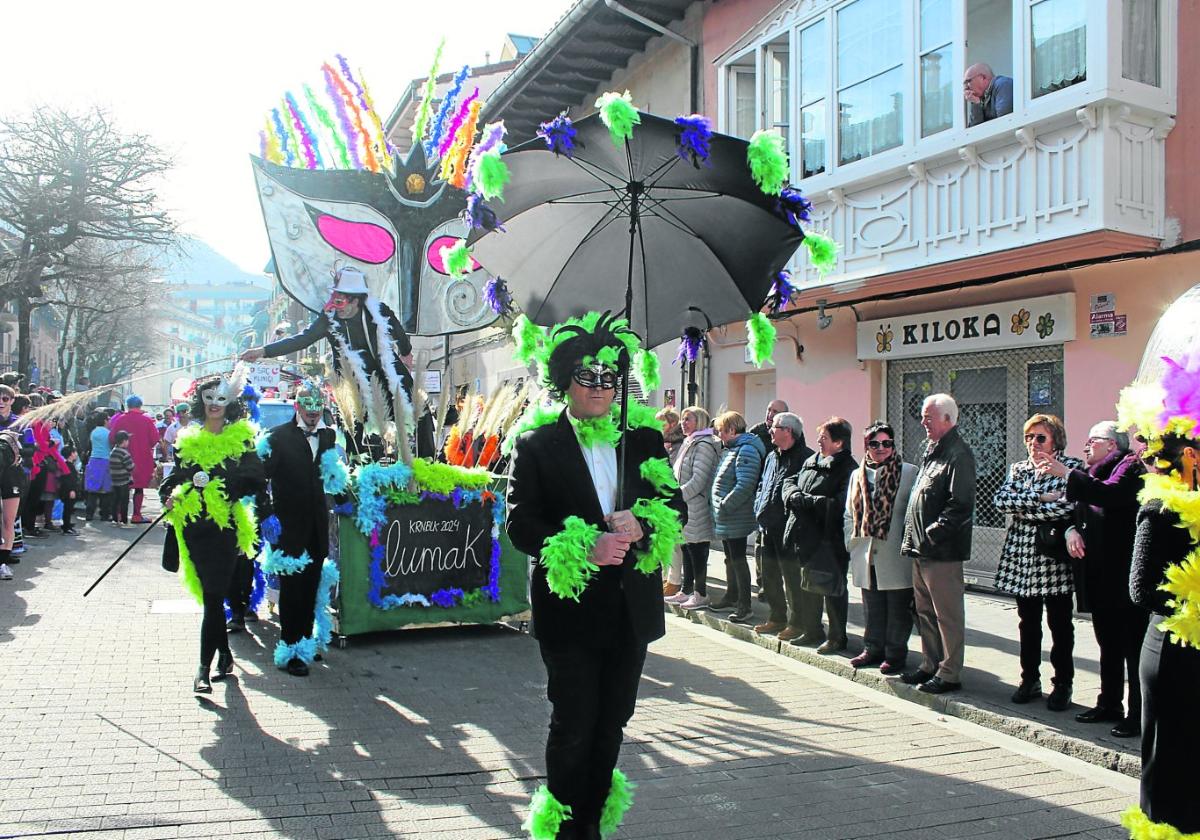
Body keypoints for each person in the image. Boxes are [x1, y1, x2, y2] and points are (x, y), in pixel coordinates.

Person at [506, 311, 684, 840]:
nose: (602, 387)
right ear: (564, 380)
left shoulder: (644, 440)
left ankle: (590, 825)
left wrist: (643, 521)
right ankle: (563, 827)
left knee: (613, 724)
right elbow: (520, 526)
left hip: (631, 610)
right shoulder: (537, 445)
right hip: (572, 613)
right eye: (589, 376)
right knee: (574, 725)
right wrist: (587, 546)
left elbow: (676, 509)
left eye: (611, 377)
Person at [241, 265, 433, 458]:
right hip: (352, 383)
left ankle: (427, 464)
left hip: (387, 373)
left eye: (340, 302)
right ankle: (357, 467)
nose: (336, 307)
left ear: (356, 300)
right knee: (354, 429)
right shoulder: (329, 319)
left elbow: (398, 332)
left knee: (420, 409)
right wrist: (263, 351)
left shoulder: (378, 311)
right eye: (335, 300)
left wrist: (406, 353)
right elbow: (302, 339)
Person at [1036, 421, 1147, 736]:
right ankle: (1109, 703)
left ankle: (1138, 714)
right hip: (1099, 576)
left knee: (1131, 647)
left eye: (1091, 441)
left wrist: (1067, 473)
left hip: (1123, 577)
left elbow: (1108, 496)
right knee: (1107, 643)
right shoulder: (1096, 471)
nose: (1085, 447)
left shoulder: (1130, 467)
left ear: (1111, 445)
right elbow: (1077, 507)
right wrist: (1070, 529)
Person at [160, 372, 267, 693]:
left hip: (226, 531)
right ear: (200, 400)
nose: (215, 404)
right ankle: (225, 655)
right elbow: (174, 478)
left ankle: (202, 670)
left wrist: (220, 479)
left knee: (212, 598)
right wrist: (171, 493)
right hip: (194, 529)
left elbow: (255, 479)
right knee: (211, 598)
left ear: (231, 401)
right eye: (209, 397)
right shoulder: (187, 439)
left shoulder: (241, 441)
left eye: (221, 398)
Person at [1129, 430, 1200, 833]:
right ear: (1190, 455)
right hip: (1172, 653)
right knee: (1170, 760)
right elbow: (1141, 589)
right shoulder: (1159, 508)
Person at [993, 414, 1082, 711]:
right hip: (1022, 558)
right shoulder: (1018, 468)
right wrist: (1043, 497)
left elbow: (1067, 506)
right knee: (1027, 624)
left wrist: (1029, 504)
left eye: (1040, 437)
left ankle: (1063, 683)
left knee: (1060, 624)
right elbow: (1002, 501)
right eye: (1029, 437)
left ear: (1055, 438)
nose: (1033, 443)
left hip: (1053, 558)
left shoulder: (1071, 467)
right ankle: (1029, 679)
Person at [258, 380, 347, 676]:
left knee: (310, 586)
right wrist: (267, 514)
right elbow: (259, 480)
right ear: (297, 407)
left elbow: (330, 472)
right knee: (293, 588)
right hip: (288, 526)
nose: (312, 413)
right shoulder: (278, 437)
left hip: (317, 524)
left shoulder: (327, 435)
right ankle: (290, 648)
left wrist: (345, 498)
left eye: (317, 407)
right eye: (307, 407)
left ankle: (305, 643)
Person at [900, 393, 976, 695]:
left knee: (947, 614)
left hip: (941, 551)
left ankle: (949, 671)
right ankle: (930, 664)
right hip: (922, 548)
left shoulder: (959, 454)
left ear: (947, 419)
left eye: (929, 417)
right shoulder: (933, 451)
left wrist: (932, 533)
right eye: (923, 415)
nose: (923, 422)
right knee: (925, 612)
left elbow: (960, 505)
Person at [844, 421, 918, 674]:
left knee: (898, 609)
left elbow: (914, 514)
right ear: (867, 446)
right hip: (866, 551)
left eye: (887, 443)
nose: (881, 448)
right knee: (872, 605)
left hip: (896, 553)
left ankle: (895, 655)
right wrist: (850, 543)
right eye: (875, 443)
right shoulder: (858, 474)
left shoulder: (909, 472)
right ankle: (872, 649)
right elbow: (848, 515)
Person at [781, 417, 858, 653]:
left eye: (824, 438)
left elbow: (840, 504)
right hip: (803, 534)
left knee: (832, 588)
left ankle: (837, 637)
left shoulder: (847, 468)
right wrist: (793, 494)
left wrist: (807, 501)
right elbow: (790, 480)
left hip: (828, 539)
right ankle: (812, 629)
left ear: (839, 442)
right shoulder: (812, 461)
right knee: (807, 585)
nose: (819, 442)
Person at [752, 412, 813, 640]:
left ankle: (797, 622)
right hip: (766, 524)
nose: (770, 430)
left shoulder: (805, 458)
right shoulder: (771, 456)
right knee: (769, 576)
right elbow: (762, 484)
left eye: (775, 427)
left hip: (788, 528)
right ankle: (776, 617)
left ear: (788, 431)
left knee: (792, 578)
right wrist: (758, 506)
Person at [710, 410, 765, 624]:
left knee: (739, 559)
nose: (719, 435)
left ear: (732, 430)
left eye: (721, 431)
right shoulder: (733, 449)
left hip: (735, 516)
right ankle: (731, 595)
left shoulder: (746, 450)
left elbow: (745, 484)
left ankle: (744, 605)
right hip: (727, 516)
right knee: (730, 558)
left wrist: (724, 505)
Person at [666, 406, 721, 611]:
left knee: (698, 551)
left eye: (688, 419)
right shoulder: (690, 442)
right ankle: (687, 590)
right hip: (685, 505)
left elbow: (699, 479)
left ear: (699, 421)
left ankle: (700, 593)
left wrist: (677, 496)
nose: (683, 423)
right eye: (682, 419)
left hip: (695, 505)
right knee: (687, 548)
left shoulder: (704, 444)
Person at [108, 395, 160, 524]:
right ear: (140, 405)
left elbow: (112, 437)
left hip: (122, 455)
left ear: (128, 405)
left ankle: (119, 514)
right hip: (142, 457)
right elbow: (154, 439)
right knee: (139, 487)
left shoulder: (120, 420)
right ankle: (137, 515)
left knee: (122, 487)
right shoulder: (147, 420)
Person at [656, 406, 685, 597]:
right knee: (665, 541)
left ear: (672, 423)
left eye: (661, 421)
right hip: (662, 496)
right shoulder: (661, 442)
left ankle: (674, 580)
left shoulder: (679, 443)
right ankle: (666, 577)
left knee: (675, 543)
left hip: (674, 497)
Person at [0, 385, 24, 577]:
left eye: (5, 399)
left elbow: (31, 448)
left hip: (12, 476)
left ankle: (3, 563)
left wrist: (19, 451)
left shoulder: (21, 423)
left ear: (12, 401)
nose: (1, 401)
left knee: (9, 520)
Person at [84, 412, 114, 523]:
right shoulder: (108, 433)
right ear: (105, 420)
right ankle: (104, 514)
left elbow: (90, 446)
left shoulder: (94, 432)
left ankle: (89, 513)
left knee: (92, 490)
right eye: (109, 419)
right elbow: (111, 445)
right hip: (106, 460)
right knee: (105, 490)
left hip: (93, 460)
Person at [964, 62, 1014, 126]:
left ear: (983, 78)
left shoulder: (1003, 84)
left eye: (968, 81)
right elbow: (975, 130)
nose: (966, 87)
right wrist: (976, 103)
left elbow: (1005, 122)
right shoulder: (982, 97)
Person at [108, 432, 134, 526]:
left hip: (114, 480)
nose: (128, 442)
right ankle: (124, 519)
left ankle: (114, 518)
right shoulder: (124, 453)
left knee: (115, 501)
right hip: (123, 480)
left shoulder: (113, 451)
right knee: (124, 501)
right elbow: (130, 467)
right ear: (124, 441)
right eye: (127, 440)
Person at [57, 445, 80, 536]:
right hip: (68, 490)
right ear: (70, 454)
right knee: (68, 508)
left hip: (70, 490)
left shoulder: (69, 465)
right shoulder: (67, 466)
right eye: (74, 452)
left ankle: (68, 525)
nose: (76, 454)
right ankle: (66, 527)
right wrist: (71, 490)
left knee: (69, 508)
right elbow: (68, 480)